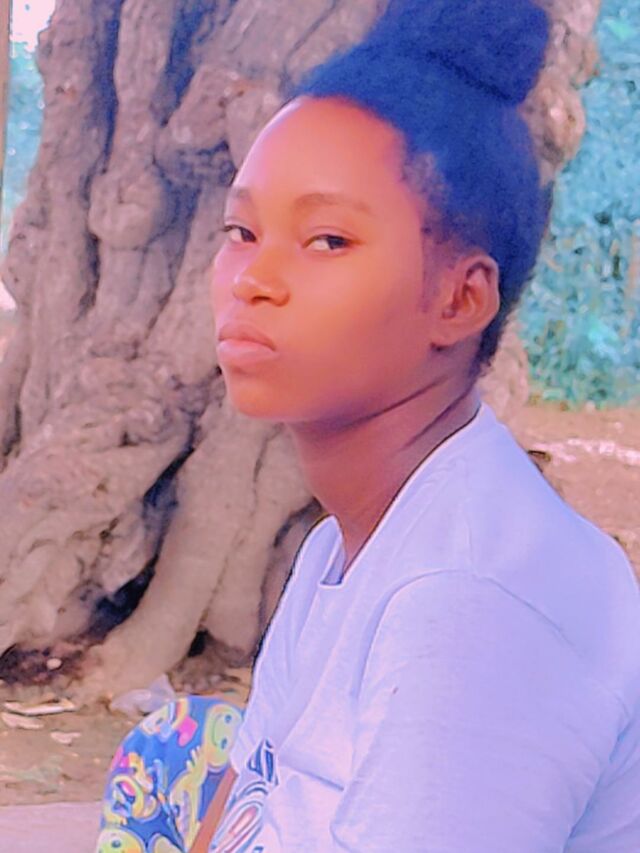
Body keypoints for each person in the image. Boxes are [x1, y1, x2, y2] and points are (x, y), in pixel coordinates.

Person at [96, 0, 640, 850]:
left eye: (326, 240)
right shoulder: (343, 546)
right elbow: (246, 796)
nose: (252, 278)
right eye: (242, 230)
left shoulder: (469, 606)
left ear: (459, 299)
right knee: (175, 747)